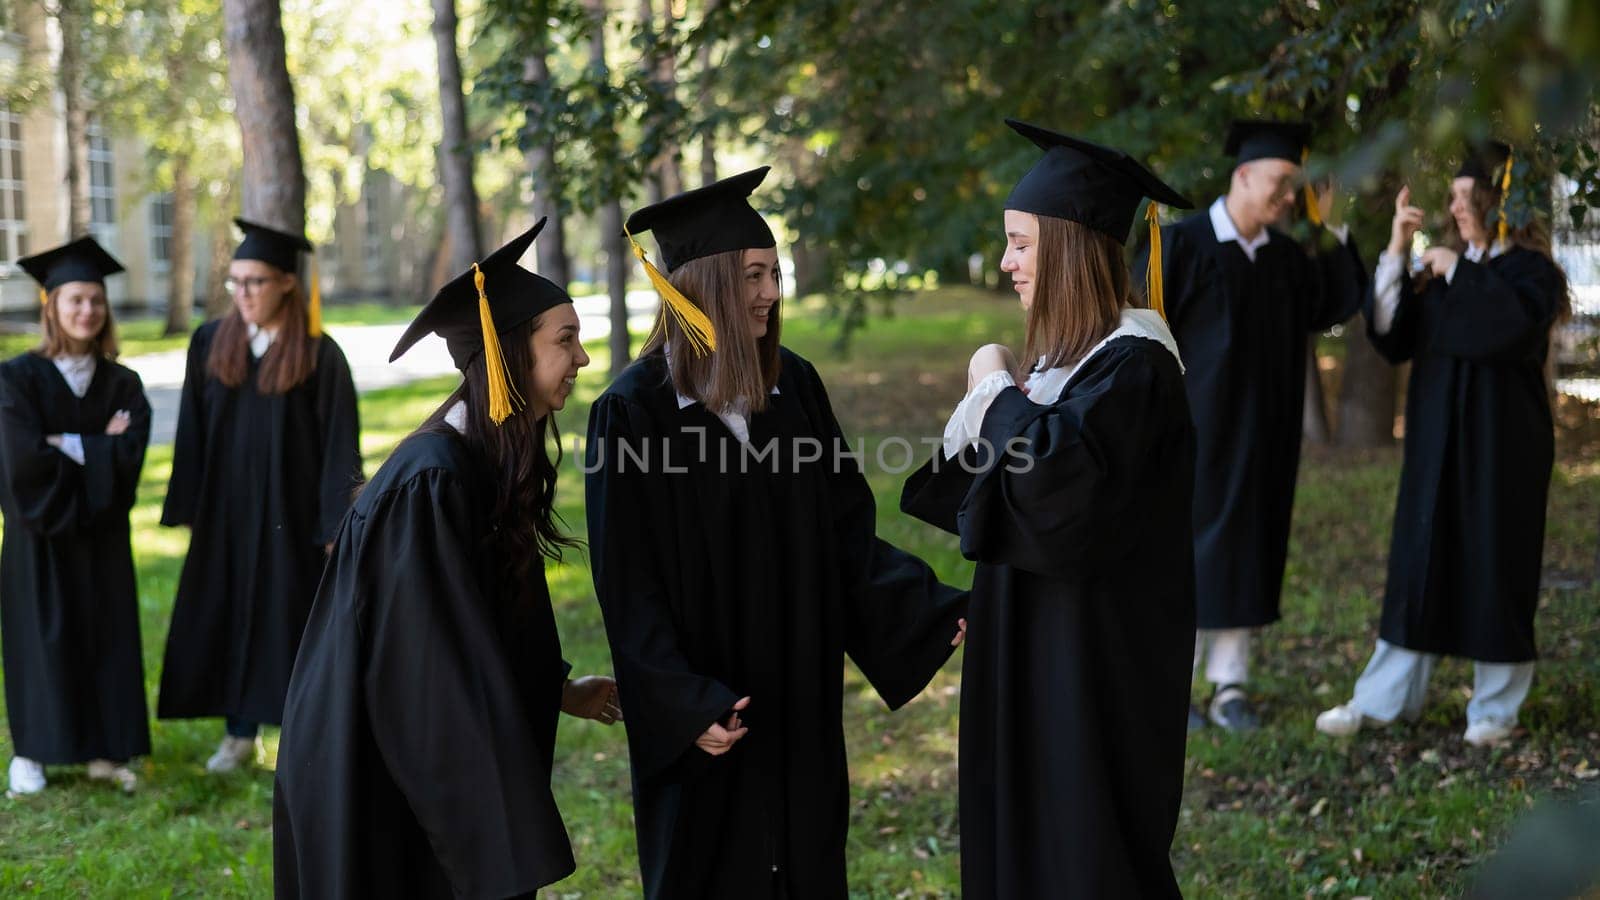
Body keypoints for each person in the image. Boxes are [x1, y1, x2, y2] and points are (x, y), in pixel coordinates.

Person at [586, 167, 968, 898]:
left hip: (796, 689)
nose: (769, 293)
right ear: (703, 287)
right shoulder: (634, 414)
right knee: (710, 862)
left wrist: (924, 607)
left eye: (774, 274)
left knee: (804, 856)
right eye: (753, 276)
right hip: (710, 705)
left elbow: (845, 530)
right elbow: (627, 587)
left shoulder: (793, 386)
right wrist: (682, 704)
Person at [274, 220, 619, 897]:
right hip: (380, 767)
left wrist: (559, 690)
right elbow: (425, 672)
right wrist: (496, 830)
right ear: (510, 354)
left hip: (418, 754)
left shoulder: (484, 463)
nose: (580, 359)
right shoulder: (434, 479)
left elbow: (477, 629)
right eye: (565, 339)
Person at [902, 119, 1197, 898]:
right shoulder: (1072, 367)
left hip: (1094, 671)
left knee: (1085, 854)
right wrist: (1008, 393)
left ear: (1069, 250)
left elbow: (1055, 487)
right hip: (1034, 658)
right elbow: (985, 489)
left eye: (1022, 244)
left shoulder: (1136, 368)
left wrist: (994, 380)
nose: (1006, 262)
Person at [1316, 142, 1568, 747]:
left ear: (1497, 201)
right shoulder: (1436, 269)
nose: (1453, 207)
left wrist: (1459, 270)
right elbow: (1391, 337)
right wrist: (1400, 254)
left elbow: (1506, 331)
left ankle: (1493, 710)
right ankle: (1382, 700)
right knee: (1419, 560)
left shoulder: (1532, 273)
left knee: (1498, 562)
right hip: (1435, 445)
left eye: (1464, 196)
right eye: (1452, 196)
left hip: (1504, 448)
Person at [1134, 120, 1368, 730]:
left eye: (1297, 188)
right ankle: (1169, 684)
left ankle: (1231, 685)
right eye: (1282, 183)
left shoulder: (1288, 258)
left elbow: (1338, 300)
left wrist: (1331, 224)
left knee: (1245, 552)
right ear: (1243, 175)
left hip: (1264, 437)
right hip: (1188, 436)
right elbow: (1136, 337)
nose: (1291, 198)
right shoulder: (1179, 247)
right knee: (1179, 554)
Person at [157, 219, 362, 772]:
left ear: (287, 284)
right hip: (226, 514)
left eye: (255, 282)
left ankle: (301, 734)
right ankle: (238, 734)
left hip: (291, 519)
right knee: (228, 616)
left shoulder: (321, 356)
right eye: (235, 282)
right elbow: (192, 433)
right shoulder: (209, 343)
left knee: (290, 622)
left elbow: (340, 445)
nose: (243, 294)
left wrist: (332, 525)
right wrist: (190, 508)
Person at [1, 237, 151, 796]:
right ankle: (33, 753)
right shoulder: (16, 380)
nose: (87, 310)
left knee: (104, 640)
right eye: (75, 300)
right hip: (37, 535)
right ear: (52, 306)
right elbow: (21, 462)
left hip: (102, 539)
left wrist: (63, 443)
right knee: (41, 642)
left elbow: (131, 454)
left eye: (95, 300)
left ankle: (103, 753)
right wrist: (97, 447)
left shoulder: (123, 383)